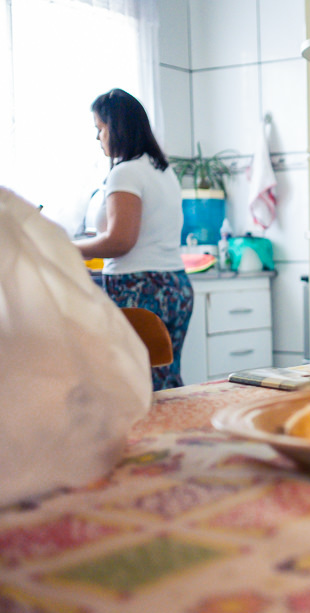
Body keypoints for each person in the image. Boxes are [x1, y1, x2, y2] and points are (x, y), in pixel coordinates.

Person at [74, 88, 194, 390]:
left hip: (139, 289)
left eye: (100, 129)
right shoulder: (162, 171)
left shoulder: (125, 173)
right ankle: (177, 437)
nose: (97, 138)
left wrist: (67, 249)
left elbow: (119, 241)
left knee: (135, 387)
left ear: (116, 127)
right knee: (164, 382)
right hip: (174, 286)